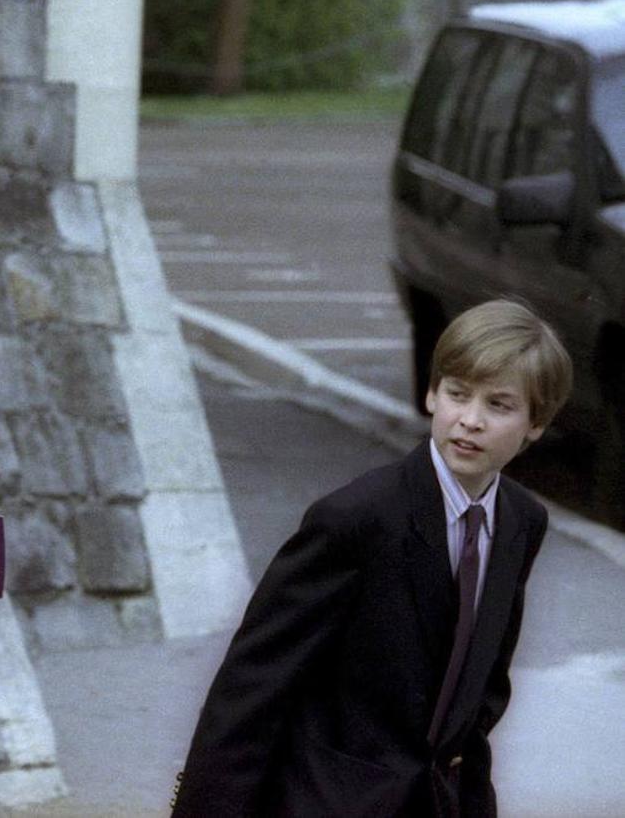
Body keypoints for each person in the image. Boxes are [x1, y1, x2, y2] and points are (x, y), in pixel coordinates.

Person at [170, 299, 573, 817]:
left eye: (498, 405)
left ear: (536, 423)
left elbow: (481, 689)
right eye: (457, 394)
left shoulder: (520, 522)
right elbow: (251, 690)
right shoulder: (358, 517)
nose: (470, 420)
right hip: (328, 802)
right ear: (431, 394)